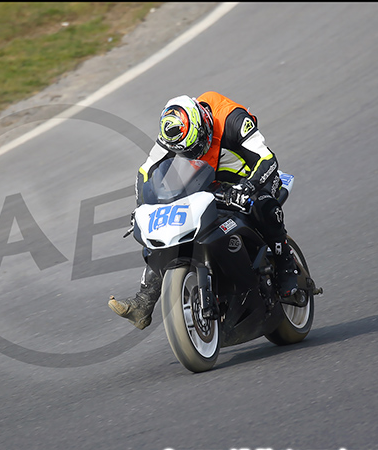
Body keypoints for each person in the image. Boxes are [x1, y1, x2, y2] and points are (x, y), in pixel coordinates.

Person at [108, 91, 298, 330]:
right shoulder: (171, 136)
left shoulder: (232, 119)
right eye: (186, 152)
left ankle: (285, 265)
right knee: (165, 227)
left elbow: (267, 159)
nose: (193, 153)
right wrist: (141, 207)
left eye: (196, 146)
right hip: (205, 181)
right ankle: (144, 301)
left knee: (261, 203)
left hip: (248, 176)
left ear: (203, 123)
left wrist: (247, 186)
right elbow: (145, 172)